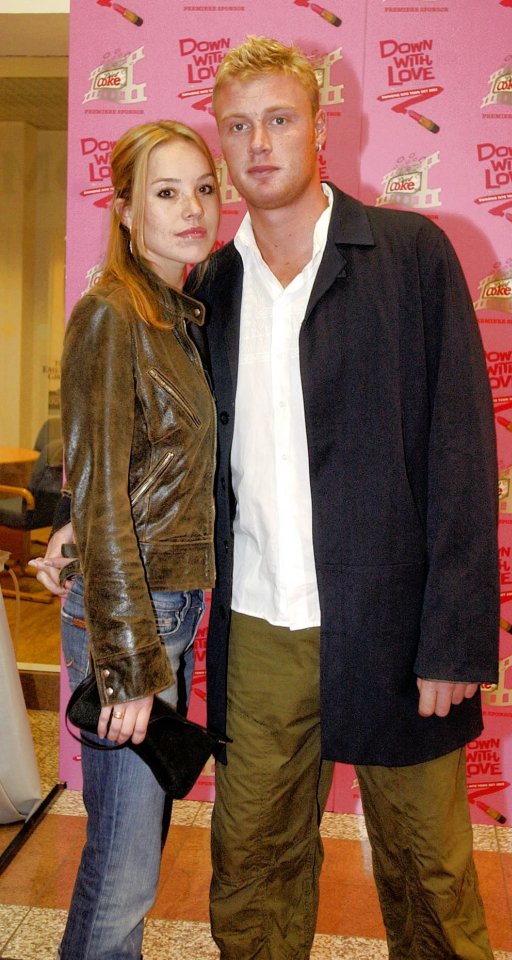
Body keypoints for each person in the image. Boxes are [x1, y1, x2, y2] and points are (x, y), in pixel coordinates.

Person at [196, 36, 500, 960]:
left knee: (429, 873)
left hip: (394, 623)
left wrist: (452, 640)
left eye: (279, 119)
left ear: (322, 129)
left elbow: (460, 456)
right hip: (258, 627)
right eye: (238, 126)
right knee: (251, 865)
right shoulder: (209, 287)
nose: (258, 144)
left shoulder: (410, 255)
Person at [30, 119, 220, 960]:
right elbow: (102, 496)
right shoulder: (112, 313)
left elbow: (128, 471)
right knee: (122, 869)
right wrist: (131, 664)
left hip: (160, 606)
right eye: (167, 192)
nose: (192, 208)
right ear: (126, 210)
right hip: (133, 620)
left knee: (129, 859)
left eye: (204, 188)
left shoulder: (173, 315)